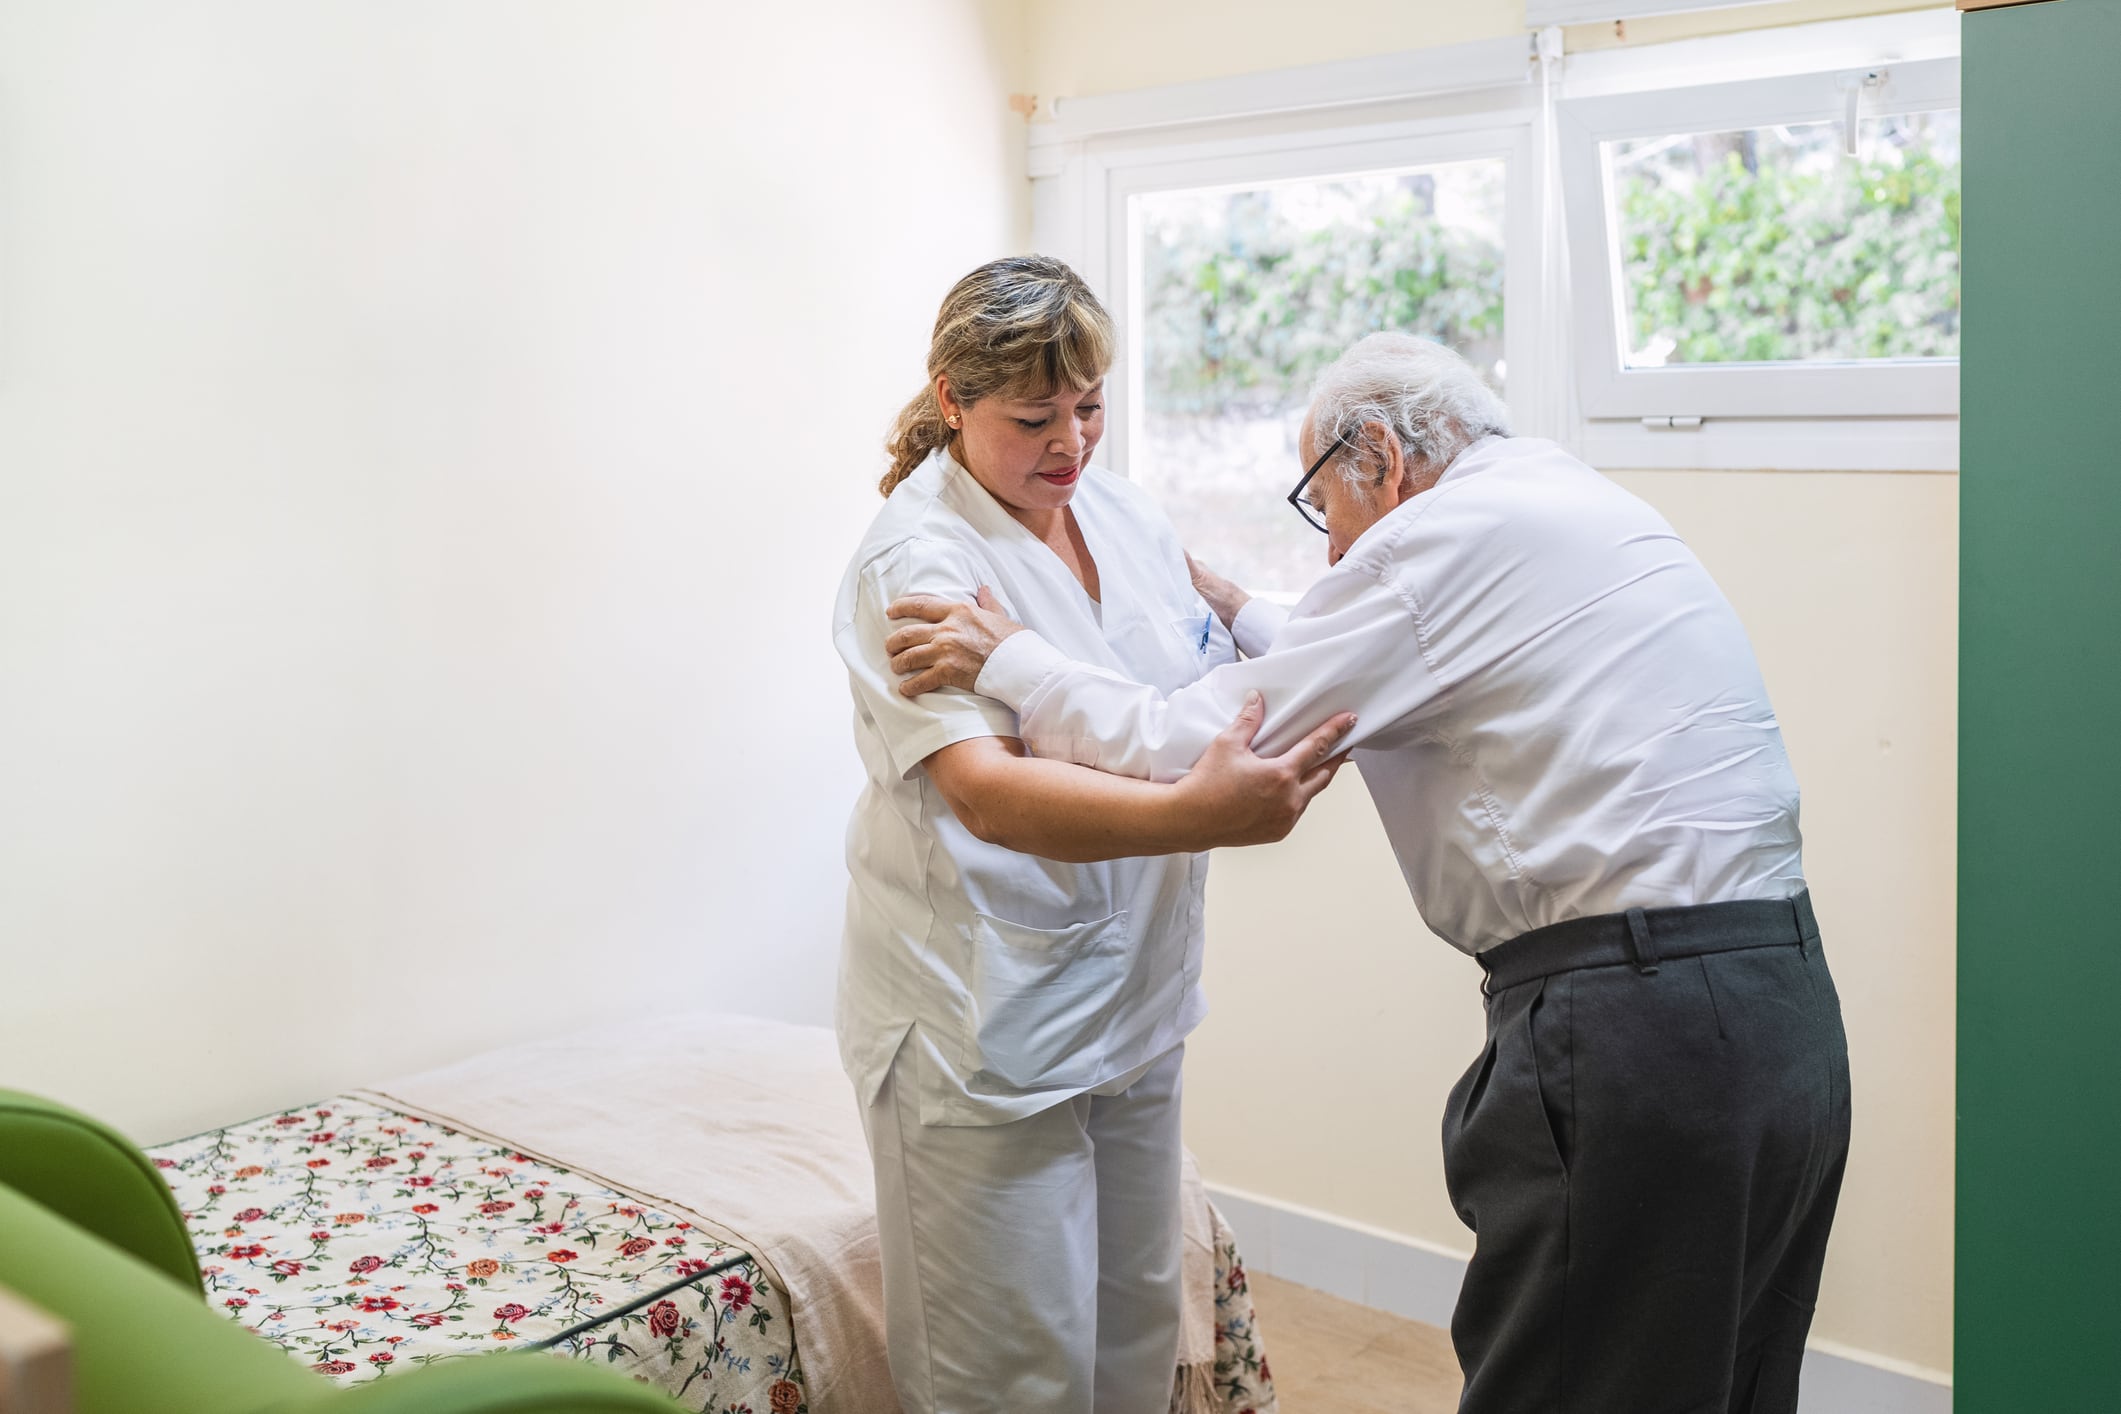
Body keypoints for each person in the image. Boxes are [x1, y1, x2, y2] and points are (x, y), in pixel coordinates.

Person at [883, 331, 1854, 1414]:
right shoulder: (1562, 502)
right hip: (1780, 1016)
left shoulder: (1435, 544)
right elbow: (1380, 649)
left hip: (1638, 1033)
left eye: (1324, 509)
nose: (1334, 556)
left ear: (1381, 455)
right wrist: (1237, 604)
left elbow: (1194, 738)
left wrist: (1006, 656)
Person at [832, 255, 1354, 1414]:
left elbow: (1180, 683)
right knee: (1011, 1385)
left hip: (1136, 1000)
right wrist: (1198, 814)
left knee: (1134, 1349)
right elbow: (986, 791)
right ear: (951, 398)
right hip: (988, 1026)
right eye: (1034, 417)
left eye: (1090, 406)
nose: (1072, 441)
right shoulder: (921, 564)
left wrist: (1242, 615)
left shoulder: (1118, 511)